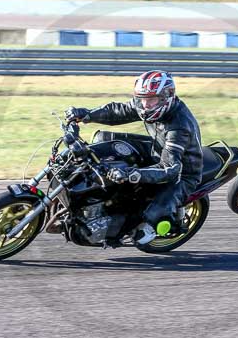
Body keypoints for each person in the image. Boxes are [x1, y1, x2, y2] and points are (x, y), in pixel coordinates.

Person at [65, 70, 203, 245]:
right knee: (102, 140)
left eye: (150, 99)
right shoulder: (148, 106)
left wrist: (132, 174)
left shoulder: (179, 127)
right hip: (156, 149)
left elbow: (169, 168)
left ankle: (148, 226)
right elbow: (119, 111)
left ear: (166, 96)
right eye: (142, 98)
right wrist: (87, 115)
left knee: (142, 232)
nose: (145, 105)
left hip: (182, 172)